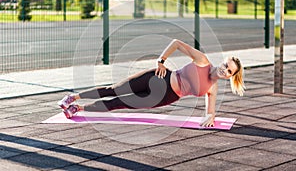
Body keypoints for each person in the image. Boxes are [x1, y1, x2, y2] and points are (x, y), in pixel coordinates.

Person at [58, 39, 245, 127]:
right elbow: (177, 43)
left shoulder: (213, 88)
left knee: (119, 103)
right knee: (114, 90)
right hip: (159, 77)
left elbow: (210, 111)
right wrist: (161, 61)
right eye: (226, 65)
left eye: (229, 71)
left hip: (166, 96)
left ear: (230, 76)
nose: (225, 70)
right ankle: (72, 98)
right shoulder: (203, 60)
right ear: (222, 62)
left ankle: (78, 109)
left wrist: (210, 117)